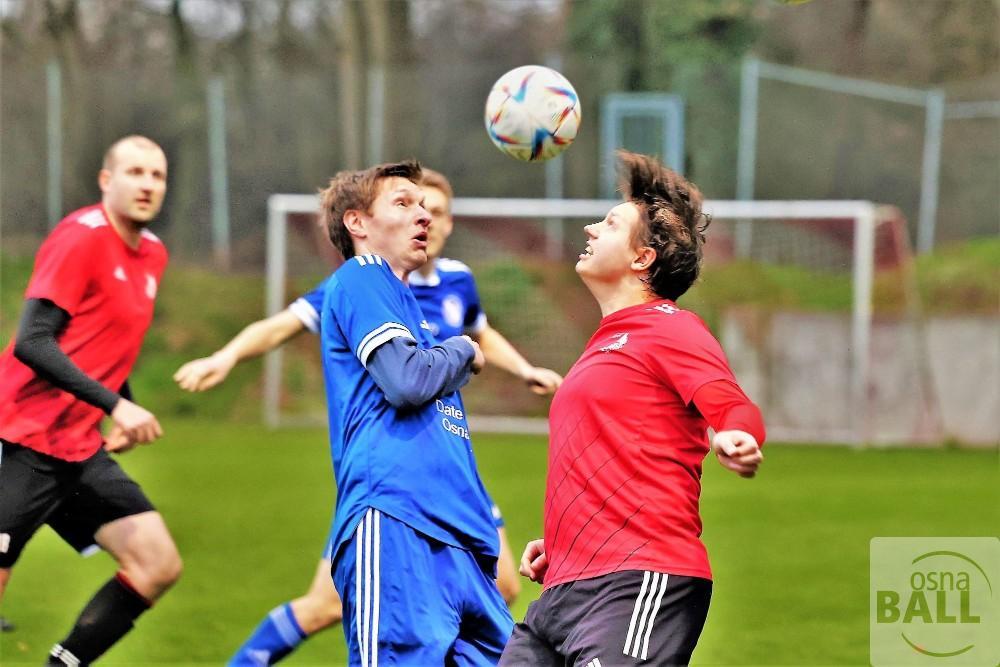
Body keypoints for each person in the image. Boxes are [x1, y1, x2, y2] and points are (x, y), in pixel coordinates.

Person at [173, 167, 558, 665]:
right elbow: (406, 381)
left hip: (459, 532)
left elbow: (456, 354)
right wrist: (463, 349)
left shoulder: (434, 291)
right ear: (357, 222)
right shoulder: (360, 278)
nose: (424, 214)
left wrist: (506, 363)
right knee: (326, 610)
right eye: (404, 203)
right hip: (399, 520)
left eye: (429, 205)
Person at [498, 151, 766, 667]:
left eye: (610, 222)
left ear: (642, 258)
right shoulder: (602, 344)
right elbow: (614, 450)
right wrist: (564, 539)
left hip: (638, 580)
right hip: (563, 590)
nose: (590, 227)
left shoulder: (670, 326)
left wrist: (739, 435)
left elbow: (734, 406)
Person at [0, 136, 181, 666]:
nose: (148, 184)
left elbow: (102, 341)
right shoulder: (80, 238)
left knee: (157, 564)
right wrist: (115, 405)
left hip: (76, 447)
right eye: (135, 172)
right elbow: (33, 341)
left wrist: (119, 400)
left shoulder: (153, 254)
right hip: (21, 437)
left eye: (158, 175)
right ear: (107, 180)